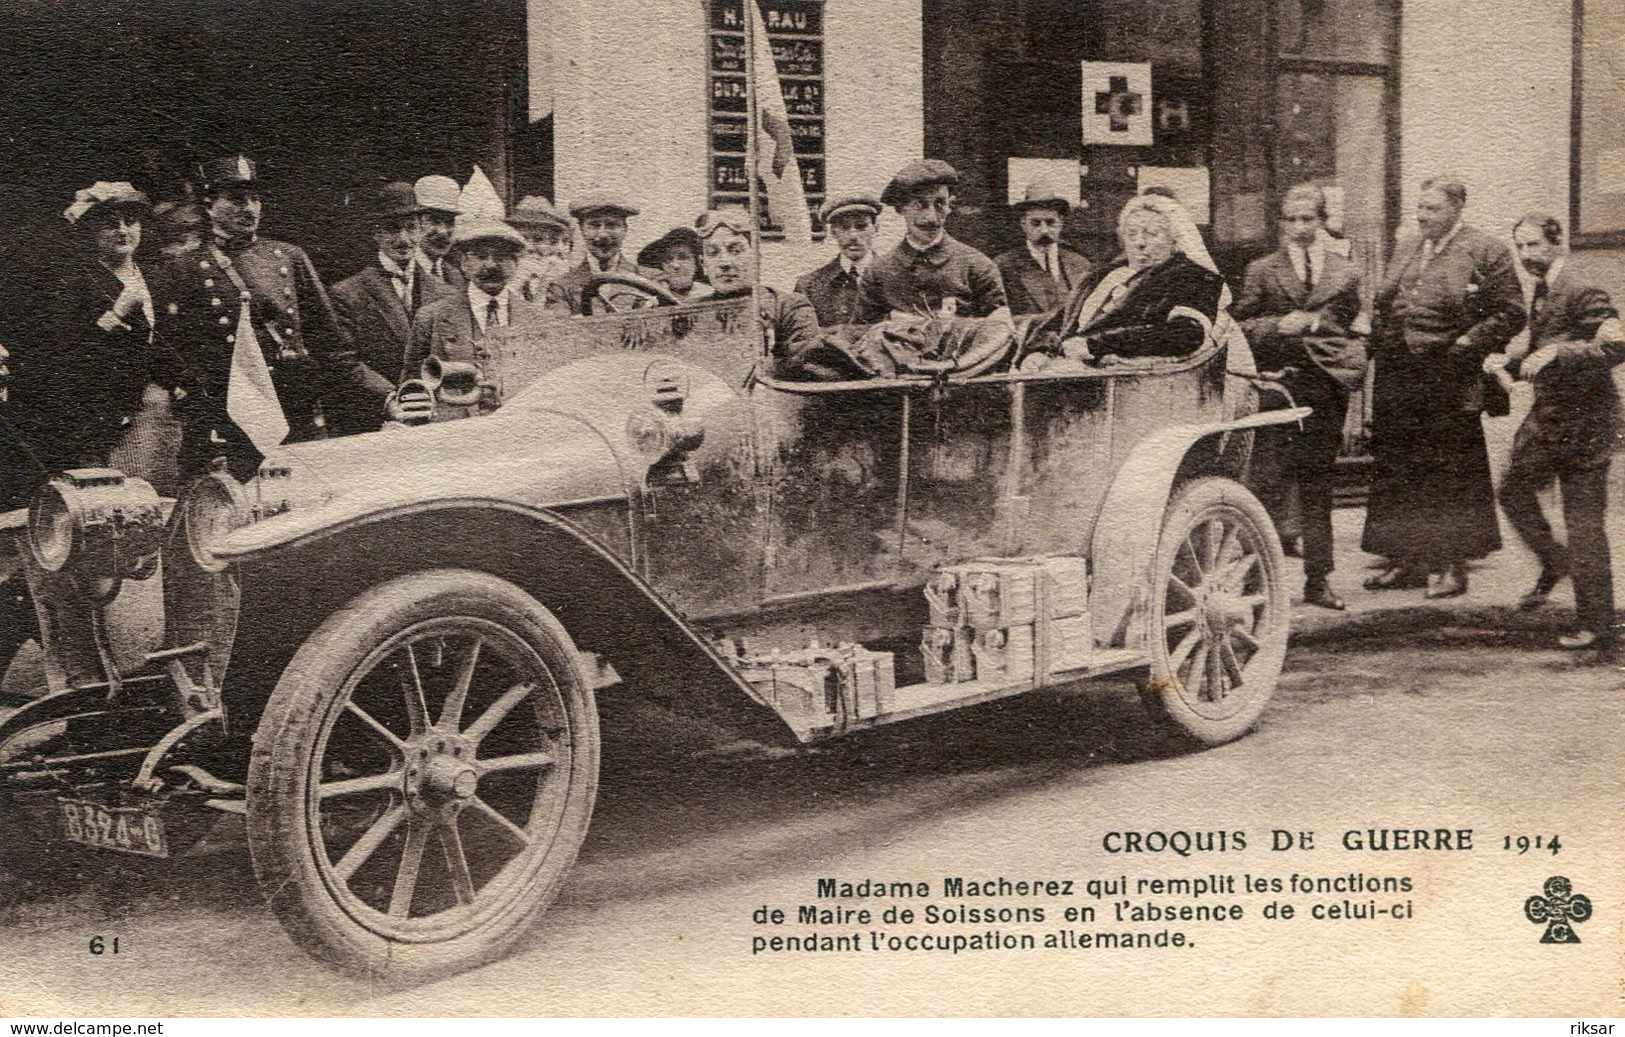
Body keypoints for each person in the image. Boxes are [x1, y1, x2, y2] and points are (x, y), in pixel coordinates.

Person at [1361, 179, 1525, 598]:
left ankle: (1451, 566)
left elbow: (1511, 313)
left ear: (1457, 208)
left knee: (1449, 468)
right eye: (1419, 208)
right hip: (1399, 371)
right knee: (1398, 464)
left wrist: (1467, 344)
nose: (1421, 215)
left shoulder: (1485, 250)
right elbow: (1386, 302)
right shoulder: (1408, 246)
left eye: (1431, 209)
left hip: (1448, 372)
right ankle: (1407, 560)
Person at [150, 154, 360, 481]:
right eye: (236, 200)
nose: (249, 208)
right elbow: (169, 355)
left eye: (255, 199)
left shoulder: (289, 257)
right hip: (227, 415)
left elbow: (329, 341)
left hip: (293, 409)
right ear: (209, 205)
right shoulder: (184, 269)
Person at [1493, 213, 1624, 656]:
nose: (1527, 255)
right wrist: (1506, 361)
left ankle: (1598, 624)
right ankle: (1555, 561)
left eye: (1535, 246)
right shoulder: (1544, 288)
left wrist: (1557, 352)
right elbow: (1539, 345)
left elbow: (1616, 346)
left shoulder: (1582, 286)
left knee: (1584, 522)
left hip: (1587, 424)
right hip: (1550, 421)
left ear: (1557, 243)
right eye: (1521, 247)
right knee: (1512, 489)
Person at [1233, 184, 1368, 611]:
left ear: (1321, 221)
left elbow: (1351, 326)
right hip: (1279, 386)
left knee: (1318, 483)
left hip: (1325, 386)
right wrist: (1278, 326)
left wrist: (1347, 353)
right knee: (1269, 482)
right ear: (1281, 223)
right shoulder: (1262, 269)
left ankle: (1319, 578)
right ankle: (1258, 584)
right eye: (1291, 219)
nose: (1299, 227)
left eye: (1308, 218)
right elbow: (1242, 326)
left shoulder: (1344, 271)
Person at [10, 182, 164, 479]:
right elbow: (69, 353)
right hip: (104, 410)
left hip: (156, 404)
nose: (122, 230)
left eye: (130, 222)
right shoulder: (76, 285)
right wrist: (117, 312)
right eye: (110, 224)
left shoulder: (158, 276)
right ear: (93, 233)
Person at [1021, 192, 1226, 367]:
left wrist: (1095, 345)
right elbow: (1061, 319)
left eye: (1151, 234)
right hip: (1069, 366)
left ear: (1174, 240)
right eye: (1132, 234)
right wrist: (1039, 351)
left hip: (1119, 376)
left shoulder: (1191, 275)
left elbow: (1186, 333)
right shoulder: (1105, 275)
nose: (1139, 243)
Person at [398, 204, 547, 422]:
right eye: (479, 256)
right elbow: (412, 390)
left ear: (516, 264)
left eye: (502, 256)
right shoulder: (431, 317)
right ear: (464, 263)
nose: (491, 265)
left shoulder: (537, 319)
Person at [327, 181, 454, 433]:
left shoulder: (444, 291)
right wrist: (389, 399)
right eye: (393, 230)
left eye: (411, 228)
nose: (403, 239)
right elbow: (343, 360)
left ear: (420, 230)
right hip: (374, 417)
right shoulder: (348, 293)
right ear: (376, 234)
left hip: (436, 418)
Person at [854, 160, 1008, 323]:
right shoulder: (877, 272)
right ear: (901, 208)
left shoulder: (978, 266)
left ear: (950, 205)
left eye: (940, 204)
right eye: (921, 205)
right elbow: (860, 334)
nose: (931, 218)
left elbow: (999, 331)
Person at [694, 209, 822, 376]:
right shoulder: (692, 314)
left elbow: (810, 366)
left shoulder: (788, 308)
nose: (724, 262)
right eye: (713, 253)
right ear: (703, 264)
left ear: (755, 257)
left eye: (735, 250)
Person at [547, 196, 659, 315]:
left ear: (625, 229)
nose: (603, 234)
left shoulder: (651, 279)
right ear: (582, 229)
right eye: (594, 225)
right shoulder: (561, 287)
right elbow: (559, 329)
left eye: (612, 225)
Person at [994, 184, 1092, 316]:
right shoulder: (1003, 267)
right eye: (1036, 223)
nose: (1044, 230)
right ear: (1023, 224)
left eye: (1050, 222)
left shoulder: (1081, 265)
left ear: (1060, 223)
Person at [794, 193, 881, 327]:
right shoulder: (809, 287)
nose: (853, 235)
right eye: (845, 227)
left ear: (875, 228)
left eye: (861, 226)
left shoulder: (899, 279)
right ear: (833, 232)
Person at [508, 195, 575, 304]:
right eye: (522, 238)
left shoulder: (566, 278)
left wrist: (545, 283)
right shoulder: (505, 277)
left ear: (554, 244)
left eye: (537, 239)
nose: (528, 246)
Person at [413, 174, 465, 289]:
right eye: (434, 220)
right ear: (415, 223)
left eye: (450, 222)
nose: (443, 231)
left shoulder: (456, 276)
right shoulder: (405, 273)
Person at [638, 227, 711, 302]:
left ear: (696, 263)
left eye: (683, 257)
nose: (675, 265)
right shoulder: (652, 298)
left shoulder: (710, 295)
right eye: (668, 259)